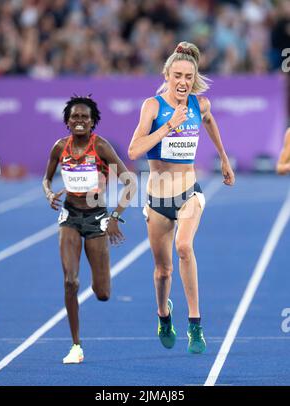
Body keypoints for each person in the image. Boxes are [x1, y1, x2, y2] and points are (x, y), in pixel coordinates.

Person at [128, 42, 235, 354]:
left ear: (194, 77)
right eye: (177, 75)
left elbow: (210, 120)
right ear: (167, 74)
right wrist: (168, 127)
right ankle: (164, 315)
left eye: (189, 76)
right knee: (163, 272)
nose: (183, 82)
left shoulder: (199, 105)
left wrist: (224, 159)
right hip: (158, 201)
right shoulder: (152, 106)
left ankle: (195, 324)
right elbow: (134, 150)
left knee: (184, 246)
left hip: (189, 192)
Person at [43, 95, 135, 364]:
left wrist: (116, 216)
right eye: (75, 117)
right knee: (70, 281)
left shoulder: (102, 147)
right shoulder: (59, 148)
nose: (80, 121)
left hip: (97, 219)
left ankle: (101, 283)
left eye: (85, 117)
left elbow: (130, 183)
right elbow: (46, 179)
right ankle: (75, 346)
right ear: (67, 121)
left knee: (102, 293)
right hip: (69, 217)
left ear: (93, 122)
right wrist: (49, 193)